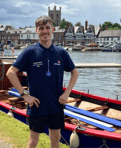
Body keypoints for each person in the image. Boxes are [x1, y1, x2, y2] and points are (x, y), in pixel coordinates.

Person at [6, 16, 79, 148]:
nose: (44, 31)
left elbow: (75, 72)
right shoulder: (30, 52)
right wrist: (24, 95)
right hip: (37, 106)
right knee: (33, 141)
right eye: (41, 28)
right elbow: (10, 72)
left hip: (56, 105)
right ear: (36, 31)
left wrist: (67, 93)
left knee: (55, 139)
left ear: (53, 29)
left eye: (47, 28)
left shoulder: (61, 53)